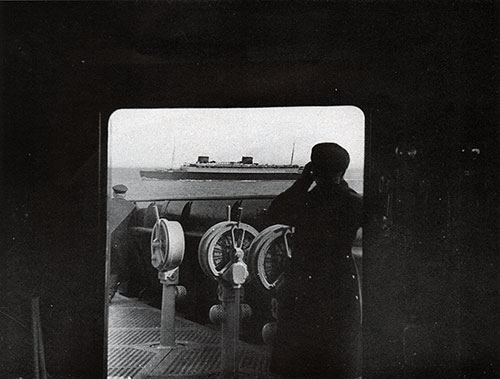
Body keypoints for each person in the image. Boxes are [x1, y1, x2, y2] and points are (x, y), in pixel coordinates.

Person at [267, 142, 363, 379]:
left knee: (298, 359)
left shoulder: (306, 200)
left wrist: (302, 182)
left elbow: (274, 213)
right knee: (337, 353)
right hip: (339, 281)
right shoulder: (354, 201)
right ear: (344, 169)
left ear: (313, 169)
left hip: (303, 281)